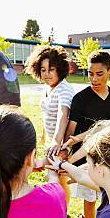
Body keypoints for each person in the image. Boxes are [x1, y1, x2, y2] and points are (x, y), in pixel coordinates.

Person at [65, 50, 110, 218]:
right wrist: (68, 150)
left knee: (107, 195)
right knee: (89, 197)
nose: (94, 78)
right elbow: (72, 129)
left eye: (99, 73)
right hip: (85, 155)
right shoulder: (80, 98)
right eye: (90, 73)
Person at [24, 45, 76, 206]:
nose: (47, 74)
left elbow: (63, 114)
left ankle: (61, 214)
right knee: (57, 177)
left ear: (60, 69)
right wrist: (45, 136)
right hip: (51, 142)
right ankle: (63, 213)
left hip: (60, 143)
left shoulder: (64, 90)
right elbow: (48, 115)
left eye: (51, 69)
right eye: (43, 69)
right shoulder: (48, 88)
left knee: (55, 178)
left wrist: (57, 141)